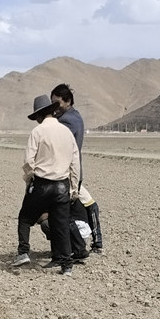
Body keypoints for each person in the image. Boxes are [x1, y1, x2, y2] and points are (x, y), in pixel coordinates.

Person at [12, 94, 80, 276]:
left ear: (39, 115)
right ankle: (67, 265)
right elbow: (75, 163)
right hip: (62, 185)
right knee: (61, 224)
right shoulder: (66, 132)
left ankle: (23, 252)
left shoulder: (37, 132)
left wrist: (29, 181)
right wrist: (74, 188)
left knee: (25, 218)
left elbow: (29, 161)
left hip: (42, 184)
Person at [50, 83, 103, 254]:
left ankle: (75, 248)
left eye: (57, 103)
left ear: (67, 101)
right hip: (74, 172)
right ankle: (95, 242)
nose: (54, 108)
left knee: (62, 213)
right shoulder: (76, 116)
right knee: (87, 203)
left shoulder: (66, 121)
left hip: (66, 173)